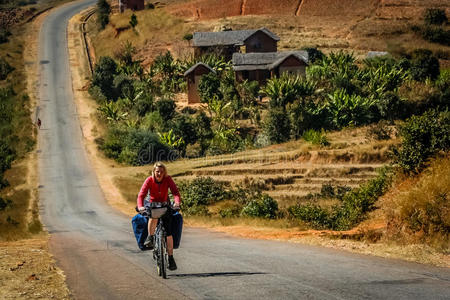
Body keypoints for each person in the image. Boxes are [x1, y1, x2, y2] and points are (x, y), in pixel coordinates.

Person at [137, 162, 181, 271]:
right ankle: (151, 237)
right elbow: (141, 195)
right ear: (153, 172)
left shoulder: (168, 179)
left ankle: (170, 258)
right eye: (157, 171)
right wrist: (140, 206)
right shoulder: (149, 180)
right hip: (152, 205)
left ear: (164, 172)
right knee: (153, 216)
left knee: (168, 233)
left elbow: (175, 192)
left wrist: (177, 202)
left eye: (161, 171)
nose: (159, 173)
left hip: (165, 205)